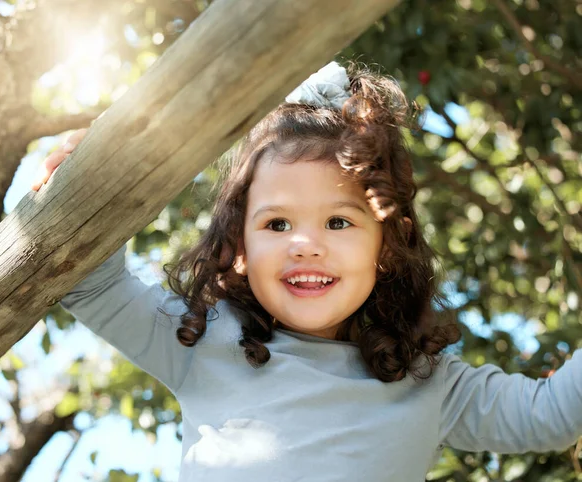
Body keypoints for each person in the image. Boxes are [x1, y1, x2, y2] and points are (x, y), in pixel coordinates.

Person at [31, 61, 582, 482]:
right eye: (275, 225)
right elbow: (90, 280)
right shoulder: (197, 340)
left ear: (387, 247)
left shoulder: (430, 382)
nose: (305, 245)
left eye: (339, 222)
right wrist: (88, 179)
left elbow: (548, 415)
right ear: (238, 246)